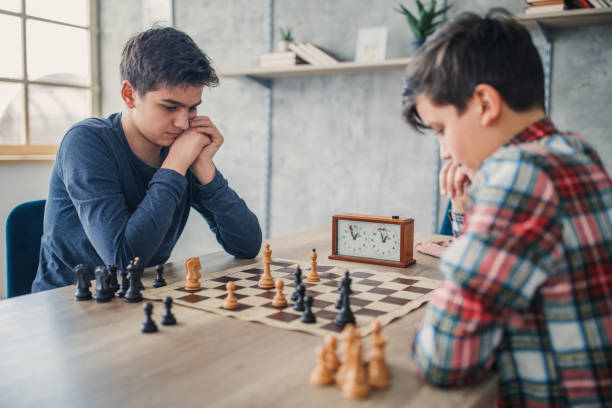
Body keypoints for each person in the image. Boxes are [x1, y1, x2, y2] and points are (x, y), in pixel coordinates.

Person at [402, 8, 612, 407]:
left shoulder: (519, 173)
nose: (445, 150)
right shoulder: (574, 150)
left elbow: (446, 358)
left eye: (442, 129)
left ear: (484, 102)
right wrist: (464, 208)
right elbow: (512, 270)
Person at [32, 27, 262, 292]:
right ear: (129, 95)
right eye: (169, 107)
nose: (183, 122)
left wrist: (203, 167)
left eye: (193, 107)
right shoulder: (85, 142)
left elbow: (247, 245)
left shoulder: (178, 144)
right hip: (69, 306)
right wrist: (176, 164)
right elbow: (124, 260)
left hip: (139, 300)